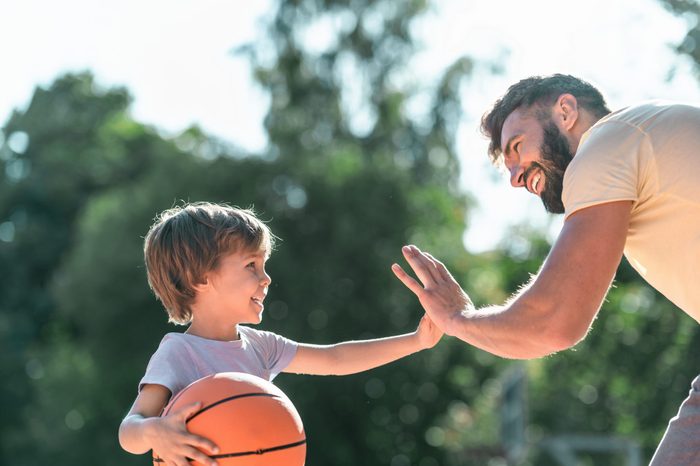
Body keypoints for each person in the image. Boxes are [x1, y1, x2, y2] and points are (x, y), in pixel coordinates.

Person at [391, 74, 700, 465]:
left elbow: (553, 321)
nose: (516, 177)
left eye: (517, 147)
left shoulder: (604, 145)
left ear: (566, 111)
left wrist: (455, 319)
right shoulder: (643, 136)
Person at [119, 202, 442, 466]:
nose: (266, 278)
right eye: (251, 265)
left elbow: (335, 358)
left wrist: (417, 341)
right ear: (200, 278)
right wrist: (154, 432)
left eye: (264, 265)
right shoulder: (178, 352)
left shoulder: (261, 346)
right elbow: (129, 430)